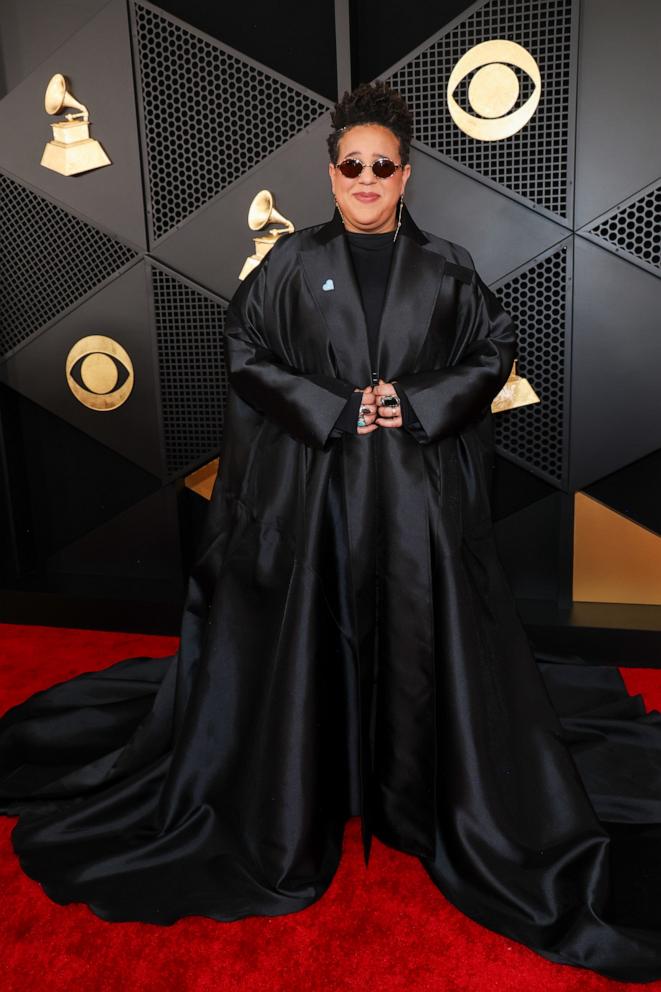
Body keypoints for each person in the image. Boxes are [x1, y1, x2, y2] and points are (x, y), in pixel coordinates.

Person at [2, 80, 661, 983]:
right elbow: (245, 352)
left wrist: (415, 401)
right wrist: (328, 407)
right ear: (331, 170)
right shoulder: (287, 263)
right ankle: (311, 780)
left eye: (380, 164)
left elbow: (489, 352)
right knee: (316, 635)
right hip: (313, 497)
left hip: (413, 505)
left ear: (404, 172)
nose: (364, 177)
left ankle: (412, 787)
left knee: (418, 642)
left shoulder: (450, 269)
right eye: (349, 164)